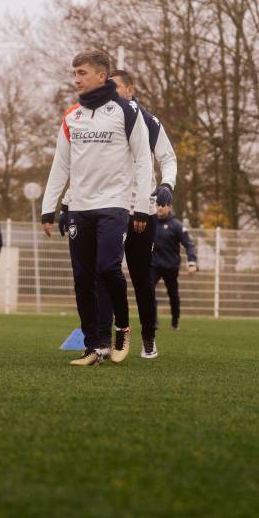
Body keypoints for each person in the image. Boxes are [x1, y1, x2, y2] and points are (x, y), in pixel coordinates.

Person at [40, 50, 154, 366]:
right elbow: (60, 165)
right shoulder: (71, 116)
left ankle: (121, 327)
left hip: (115, 205)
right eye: (74, 73)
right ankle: (95, 346)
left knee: (107, 268)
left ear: (101, 76)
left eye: (82, 73)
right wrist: (49, 208)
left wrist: (142, 207)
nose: (76, 79)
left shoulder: (127, 111)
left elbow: (144, 160)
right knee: (82, 277)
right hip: (79, 207)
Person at [93, 69, 177, 361]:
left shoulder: (149, 121)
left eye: (116, 88)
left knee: (141, 277)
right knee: (104, 273)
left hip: (140, 211)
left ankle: (148, 338)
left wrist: (166, 185)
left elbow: (167, 157)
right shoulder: (101, 120)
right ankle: (104, 339)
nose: (112, 94)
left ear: (131, 89)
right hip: (108, 209)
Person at [150, 204, 198, 332]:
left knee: (173, 295)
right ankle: (153, 322)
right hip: (154, 265)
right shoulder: (151, 222)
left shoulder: (177, 225)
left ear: (169, 207)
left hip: (171, 266)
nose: (159, 208)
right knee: (149, 290)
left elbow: (189, 244)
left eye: (163, 205)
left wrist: (192, 262)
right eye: (157, 205)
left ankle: (175, 321)